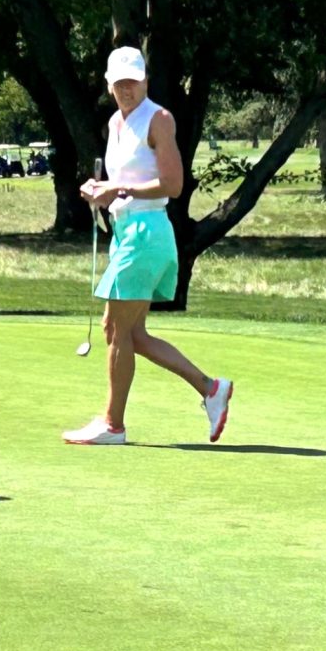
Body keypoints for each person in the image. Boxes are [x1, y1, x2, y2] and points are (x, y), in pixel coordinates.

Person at [63, 46, 233, 446]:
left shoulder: (159, 119)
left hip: (147, 232)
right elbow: (126, 178)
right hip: (127, 231)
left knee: (116, 329)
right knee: (130, 333)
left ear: (145, 81)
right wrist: (101, 190)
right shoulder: (115, 122)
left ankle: (113, 425)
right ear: (109, 85)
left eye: (133, 82)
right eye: (119, 83)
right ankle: (211, 389)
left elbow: (173, 185)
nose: (127, 90)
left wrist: (117, 188)